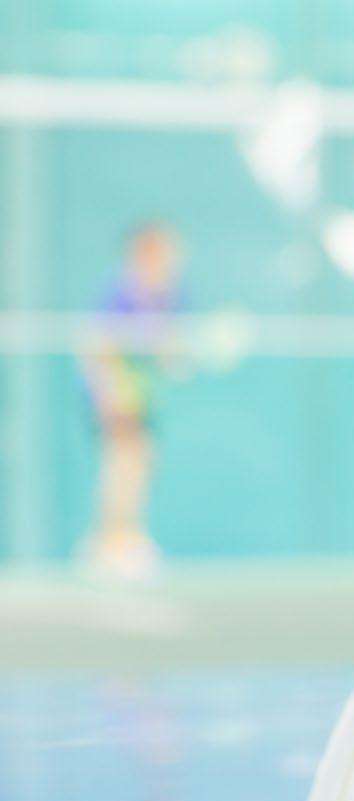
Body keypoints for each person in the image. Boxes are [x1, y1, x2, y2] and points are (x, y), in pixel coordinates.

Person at [79, 223, 186, 580]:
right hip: (115, 394)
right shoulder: (121, 292)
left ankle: (122, 540)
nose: (171, 260)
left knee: (139, 464)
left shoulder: (165, 295)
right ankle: (108, 545)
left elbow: (161, 350)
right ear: (144, 252)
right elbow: (97, 345)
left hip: (142, 395)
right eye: (164, 251)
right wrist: (105, 394)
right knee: (122, 466)